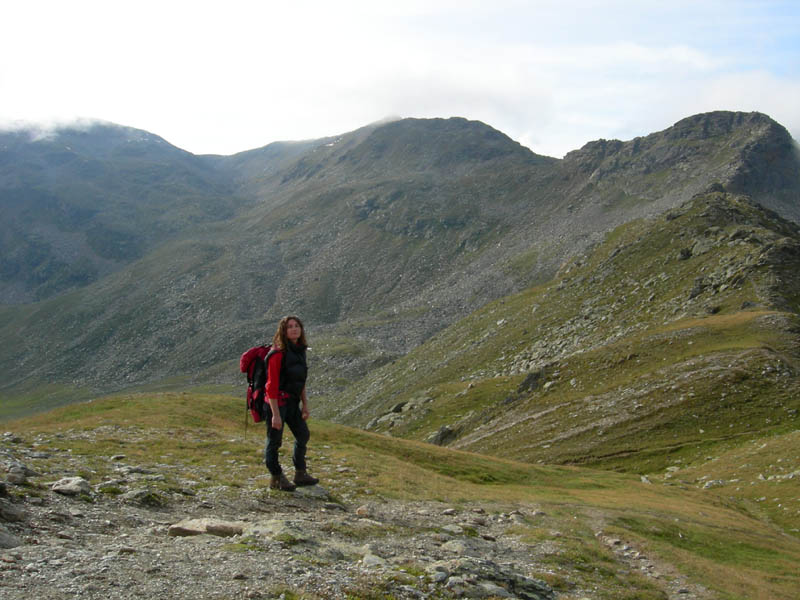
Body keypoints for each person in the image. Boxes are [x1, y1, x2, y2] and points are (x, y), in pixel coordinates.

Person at [264, 315, 319, 491]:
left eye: (297, 326)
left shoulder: (300, 350)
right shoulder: (277, 354)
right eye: (290, 327)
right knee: (274, 441)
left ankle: (300, 473)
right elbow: (271, 386)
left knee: (303, 434)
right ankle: (276, 477)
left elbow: (300, 381)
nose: (294, 329)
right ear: (283, 331)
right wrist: (275, 415)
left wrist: (305, 405)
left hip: (292, 402)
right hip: (276, 403)